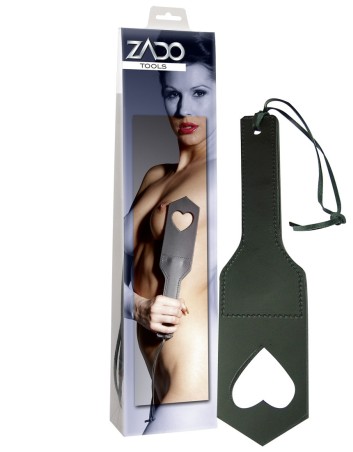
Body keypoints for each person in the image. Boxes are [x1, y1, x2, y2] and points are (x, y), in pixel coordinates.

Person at [123, 34, 216, 411]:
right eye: (172, 94)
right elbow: (113, 273)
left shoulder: (222, 178)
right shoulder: (155, 176)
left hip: (193, 372)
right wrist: (135, 306)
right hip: (156, 380)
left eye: (199, 93)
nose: (183, 109)